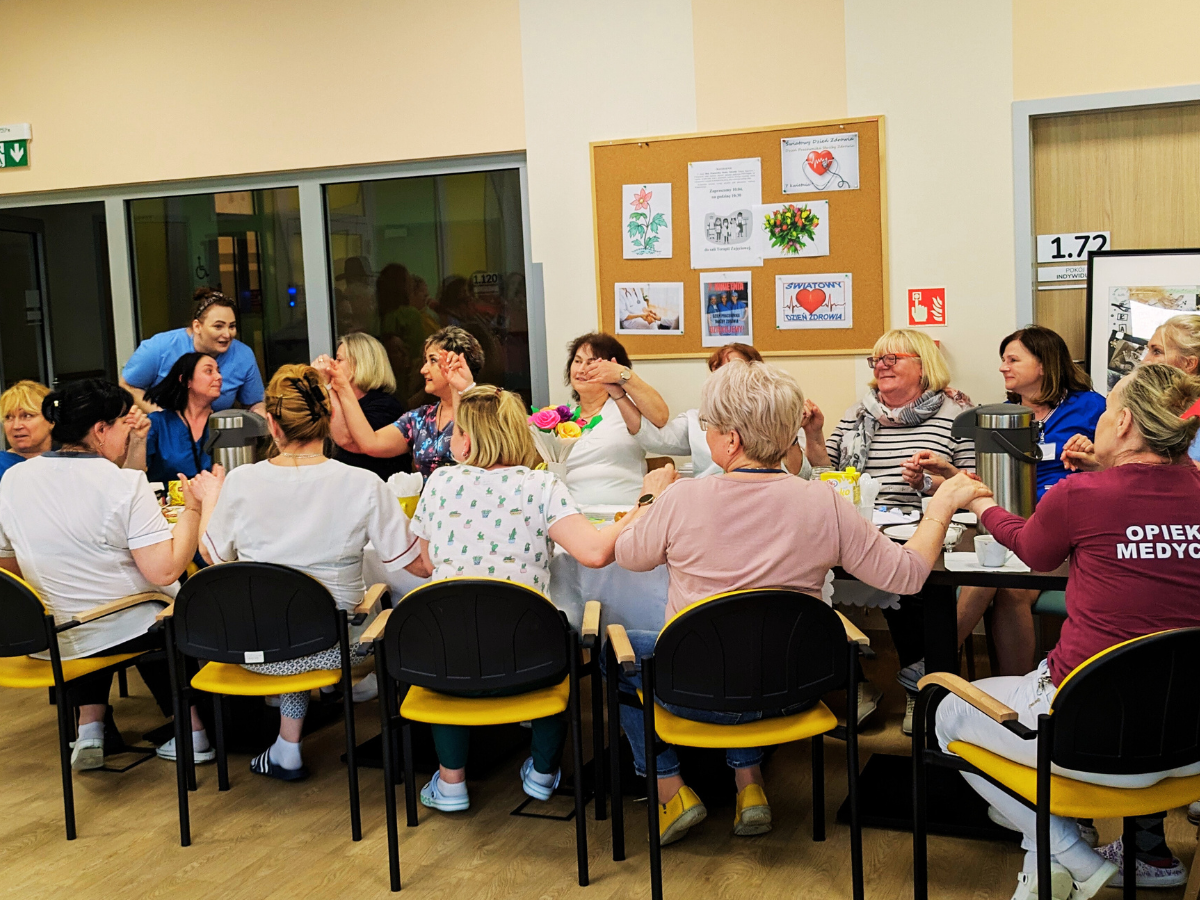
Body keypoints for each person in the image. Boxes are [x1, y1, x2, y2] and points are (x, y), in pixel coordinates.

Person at [607, 360, 992, 845]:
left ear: (731, 440)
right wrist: (941, 507)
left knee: (615, 652)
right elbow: (909, 576)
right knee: (746, 646)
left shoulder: (681, 498)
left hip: (698, 692)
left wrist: (649, 499)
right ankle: (748, 784)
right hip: (794, 690)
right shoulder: (823, 501)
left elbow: (628, 555)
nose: (706, 435)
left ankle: (670, 788)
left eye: (708, 426)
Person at [939, 363, 1200, 900]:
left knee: (943, 710)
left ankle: (1070, 851)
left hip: (1086, 737)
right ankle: (1054, 860)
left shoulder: (1081, 495)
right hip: (1189, 739)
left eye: (1106, 412)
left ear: (1123, 423)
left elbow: (1032, 550)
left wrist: (981, 502)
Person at [407, 382, 675, 811]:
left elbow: (424, 562)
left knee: (450, 652)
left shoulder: (438, 482)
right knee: (558, 641)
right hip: (527, 659)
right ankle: (544, 771)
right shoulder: (539, 486)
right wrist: (644, 504)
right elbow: (594, 553)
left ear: (467, 441)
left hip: (450, 659)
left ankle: (451, 782)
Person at [199, 365, 429, 781]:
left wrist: (210, 500)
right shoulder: (363, 484)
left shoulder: (241, 481)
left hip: (254, 650)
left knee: (288, 612)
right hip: (332, 649)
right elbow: (415, 563)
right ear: (328, 418)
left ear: (272, 424)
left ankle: (287, 748)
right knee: (374, 616)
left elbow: (213, 556)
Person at [0, 379, 220, 769]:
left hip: (49, 635)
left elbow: (9, 566)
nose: (127, 431)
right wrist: (193, 510)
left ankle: (90, 728)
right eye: (122, 424)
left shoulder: (14, 479)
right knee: (168, 608)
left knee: (88, 605)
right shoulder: (122, 484)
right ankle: (194, 732)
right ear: (101, 429)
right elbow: (165, 568)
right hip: (116, 628)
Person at [910, 326, 1106, 677]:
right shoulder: (1002, 414)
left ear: (1044, 364)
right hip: (1013, 524)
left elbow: (1118, 467)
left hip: (1066, 528)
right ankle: (1004, 691)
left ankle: (935, 663)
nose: (1003, 367)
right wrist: (946, 473)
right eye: (1003, 360)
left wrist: (1094, 454)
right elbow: (989, 480)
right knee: (1003, 582)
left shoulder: (1091, 408)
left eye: (1012, 359)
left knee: (1000, 578)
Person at [806, 328, 976, 731]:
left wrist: (929, 483)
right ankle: (853, 685)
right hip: (859, 526)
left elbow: (971, 485)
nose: (880, 367)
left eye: (891, 359)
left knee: (911, 586)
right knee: (803, 580)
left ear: (923, 366)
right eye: (876, 360)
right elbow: (828, 473)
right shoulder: (858, 413)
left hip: (921, 526)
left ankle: (923, 691)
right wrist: (814, 434)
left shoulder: (958, 414)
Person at [612, 342, 814, 478]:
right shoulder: (698, 419)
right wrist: (619, 395)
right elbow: (655, 439)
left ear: (755, 373)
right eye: (717, 370)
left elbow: (801, 476)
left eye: (732, 368)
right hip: (711, 501)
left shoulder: (778, 412)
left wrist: (791, 437)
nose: (724, 376)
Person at [325, 326, 484, 481]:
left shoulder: (487, 411)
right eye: (425, 361)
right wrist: (341, 387)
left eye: (433, 360)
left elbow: (468, 455)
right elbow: (370, 443)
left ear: (459, 363)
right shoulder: (420, 418)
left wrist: (461, 389)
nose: (423, 369)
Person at [559, 332, 670, 505]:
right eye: (578, 361)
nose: (581, 370)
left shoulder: (626, 407)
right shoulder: (562, 419)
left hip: (625, 511)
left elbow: (661, 416)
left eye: (591, 363)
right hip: (573, 513)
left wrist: (623, 375)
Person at [120, 288, 265, 415]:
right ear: (197, 326)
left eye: (232, 326)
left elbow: (254, 404)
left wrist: (263, 420)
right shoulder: (159, 347)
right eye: (218, 326)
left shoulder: (243, 355)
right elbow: (127, 386)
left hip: (216, 433)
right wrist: (163, 420)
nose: (227, 334)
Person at [316, 333, 407, 481]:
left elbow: (347, 439)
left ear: (359, 365)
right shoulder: (335, 401)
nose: (332, 365)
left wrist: (326, 386)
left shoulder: (386, 406)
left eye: (339, 360)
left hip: (373, 490)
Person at [140, 352, 219, 487]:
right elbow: (136, 472)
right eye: (209, 371)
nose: (218, 377)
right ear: (186, 380)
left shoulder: (226, 424)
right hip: (166, 499)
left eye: (218, 371)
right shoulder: (158, 423)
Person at [1141, 314, 1200, 465]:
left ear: (1189, 364)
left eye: (1157, 352)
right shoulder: (1159, 407)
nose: (1145, 361)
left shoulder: (1195, 414)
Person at [0, 380, 52, 481]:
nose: (16, 426)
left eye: (27, 416)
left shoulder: (66, 462)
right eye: (8, 417)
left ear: (51, 420)